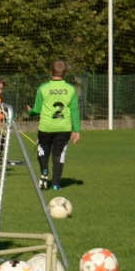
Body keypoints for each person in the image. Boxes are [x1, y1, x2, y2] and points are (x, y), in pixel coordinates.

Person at [27, 60, 80, 191]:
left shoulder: (43, 88)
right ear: (65, 73)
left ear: (50, 71)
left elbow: (37, 109)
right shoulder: (70, 89)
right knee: (59, 154)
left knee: (43, 149)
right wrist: (76, 129)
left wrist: (30, 112)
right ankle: (56, 184)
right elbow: (74, 109)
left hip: (46, 126)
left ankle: (44, 171)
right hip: (63, 127)